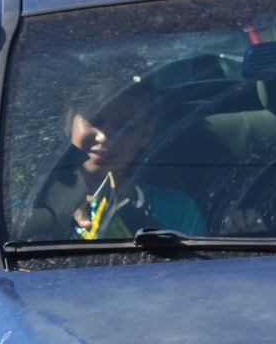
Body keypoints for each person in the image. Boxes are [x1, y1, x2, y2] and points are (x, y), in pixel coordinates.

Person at [24, 80, 205, 240]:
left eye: (126, 129)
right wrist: (52, 217)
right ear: (69, 120)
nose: (104, 137)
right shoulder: (28, 196)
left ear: (147, 134)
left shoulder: (176, 209)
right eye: (95, 121)